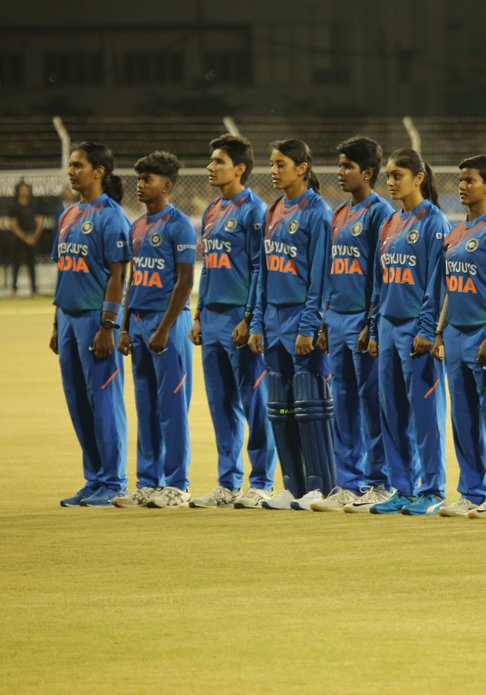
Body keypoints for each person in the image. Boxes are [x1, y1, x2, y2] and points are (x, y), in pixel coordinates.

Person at [189, 134, 276, 509]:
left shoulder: (255, 210)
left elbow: (260, 267)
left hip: (239, 321)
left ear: (239, 168)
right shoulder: (211, 211)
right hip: (211, 319)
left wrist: (249, 318)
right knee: (220, 403)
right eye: (211, 161)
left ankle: (262, 482)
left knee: (254, 401)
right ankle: (227, 484)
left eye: (218, 161)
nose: (210, 167)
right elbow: (207, 266)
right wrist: (198, 313)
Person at [248, 139, 336, 511]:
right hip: (272, 320)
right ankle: (293, 486)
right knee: (279, 407)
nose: (273, 170)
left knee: (310, 403)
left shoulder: (318, 212)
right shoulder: (271, 211)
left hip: (300, 319)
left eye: (280, 163)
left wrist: (310, 324)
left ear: (302, 168)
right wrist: (256, 321)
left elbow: (320, 276)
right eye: (271, 163)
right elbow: (263, 272)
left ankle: (322, 486)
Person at [311, 137, 395, 512]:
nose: (340, 172)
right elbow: (332, 269)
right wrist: (325, 320)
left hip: (363, 321)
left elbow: (380, 274)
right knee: (342, 402)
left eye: (347, 166)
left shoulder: (380, 213)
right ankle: (349, 483)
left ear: (368, 173)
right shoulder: (339, 213)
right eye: (339, 165)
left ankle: (379, 481)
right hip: (337, 318)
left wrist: (371, 323)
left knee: (371, 401)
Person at [432, 155, 486, 519]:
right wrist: (439, 332)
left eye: (470, 180)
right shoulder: (455, 234)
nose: (462, 186)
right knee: (464, 416)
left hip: (484, 335)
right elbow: (451, 288)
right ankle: (471, 490)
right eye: (460, 180)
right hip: (455, 335)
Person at [112, 152, 197, 509]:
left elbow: (184, 281)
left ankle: (177, 484)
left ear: (167, 184)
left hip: (168, 325)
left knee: (172, 408)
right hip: (141, 323)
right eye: (139, 178)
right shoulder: (137, 226)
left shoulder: (180, 225)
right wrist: (126, 325)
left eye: (147, 178)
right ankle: (148, 482)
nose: (140, 184)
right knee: (145, 405)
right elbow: (133, 281)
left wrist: (163, 328)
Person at [367, 149, 450, 516]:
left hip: (416, 329)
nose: (390, 182)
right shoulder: (389, 223)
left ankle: (432, 489)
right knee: (392, 412)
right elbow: (379, 281)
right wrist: (372, 327)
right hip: (388, 326)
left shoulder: (434, 221)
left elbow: (438, 281)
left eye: (398, 174)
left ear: (418, 178)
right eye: (387, 175)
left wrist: (428, 328)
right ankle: (402, 487)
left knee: (425, 412)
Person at [52, 142, 131, 507]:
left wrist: (107, 325)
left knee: (103, 402)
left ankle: (113, 481)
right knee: (79, 404)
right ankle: (94, 478)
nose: (71, 171)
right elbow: (63, 271)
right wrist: (56, 323)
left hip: (95, 321)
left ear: (99, 171)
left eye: (78, 165)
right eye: (70, 165)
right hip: (68, 319)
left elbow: (119, 275)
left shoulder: (111, 216)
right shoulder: (67, 216)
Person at [10, 182, 42, 295]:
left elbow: (39, 222)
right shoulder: (14, 205)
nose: (24, 191)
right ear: (18, 191)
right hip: (19, 239)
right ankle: (14, 289)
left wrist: (34, 236)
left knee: (32, 264)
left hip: (32, 238)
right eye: (22, 189)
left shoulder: (33, 204)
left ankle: (34, 290)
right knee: (16, 264)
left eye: (26, 189)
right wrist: (24, 237)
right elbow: (13, 225)